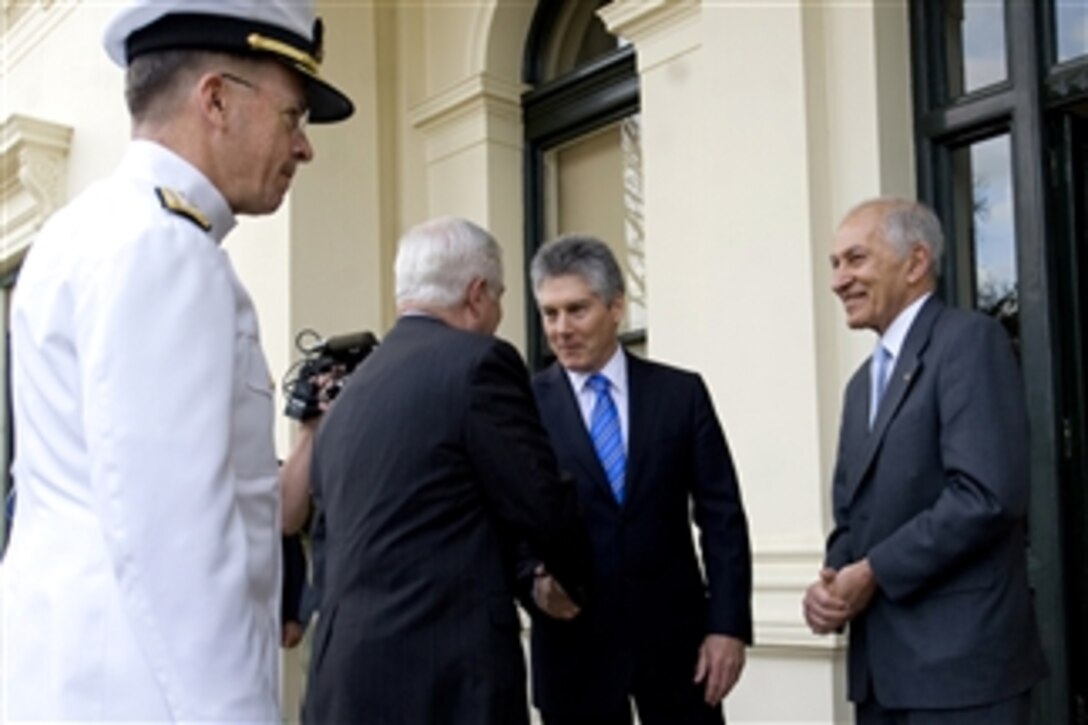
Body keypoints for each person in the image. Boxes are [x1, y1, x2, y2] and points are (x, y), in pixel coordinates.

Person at [0, 1, 354, 720]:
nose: (303, 148)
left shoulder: (83, 231)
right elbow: (176, 540)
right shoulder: (162, 249)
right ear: (217, 99)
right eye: (293, 116)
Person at [303, 216, 590, 725]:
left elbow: (327, 543)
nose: (500, 313)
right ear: (477, 293)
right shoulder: (479, 363)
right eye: (500, 296)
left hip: (344, 680)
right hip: (445, 678)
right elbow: (539, 501)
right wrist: (578, 585)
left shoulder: (349, 395)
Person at [802, 198, 1048, 723]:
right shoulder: (859, 387)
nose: (839, 280)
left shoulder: (968, 342)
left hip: (962, 675)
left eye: (855, 259)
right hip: (882, 679)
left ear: (915, 263)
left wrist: (871, 572)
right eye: (835, 264)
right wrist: (831, 588)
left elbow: (986, 495)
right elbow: (853, 515)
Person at [522, 234, 753, 725]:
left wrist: (728, 627)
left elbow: (722, 519)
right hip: (573, 657)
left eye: (576, 310)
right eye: (549, 313)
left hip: (679, 656)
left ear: (617, 307)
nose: (561, 329)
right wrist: (532, 581)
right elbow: (503, 518)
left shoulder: (680, 394)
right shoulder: (523, 408)